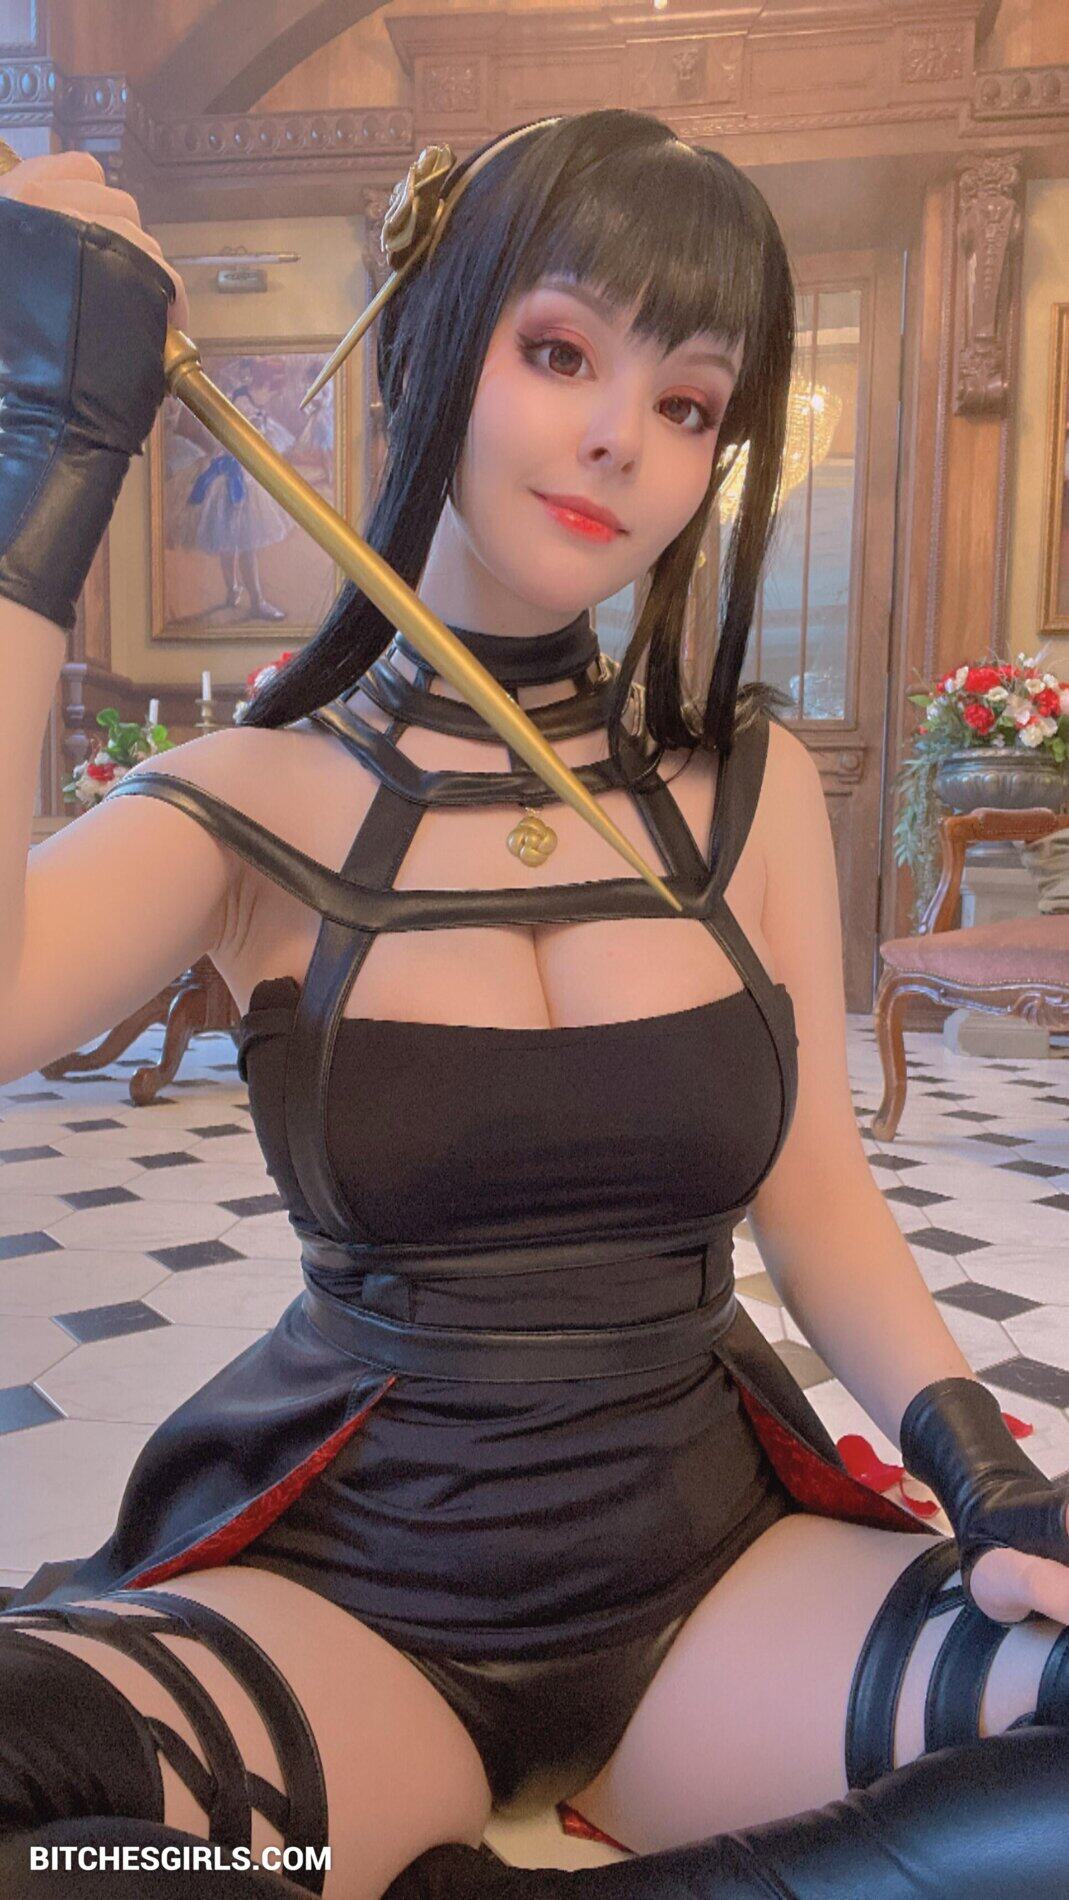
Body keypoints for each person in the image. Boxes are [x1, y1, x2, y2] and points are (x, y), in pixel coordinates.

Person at [0, 111, 1067, 1900]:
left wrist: (984, 1473)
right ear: (428, 347)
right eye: (561, 352)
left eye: (688, 402)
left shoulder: (747, 792)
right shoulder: (254, 800)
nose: (620, 439)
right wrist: (40, 443)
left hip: (723, 1597)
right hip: (351, 1618)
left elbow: (814, 1194)